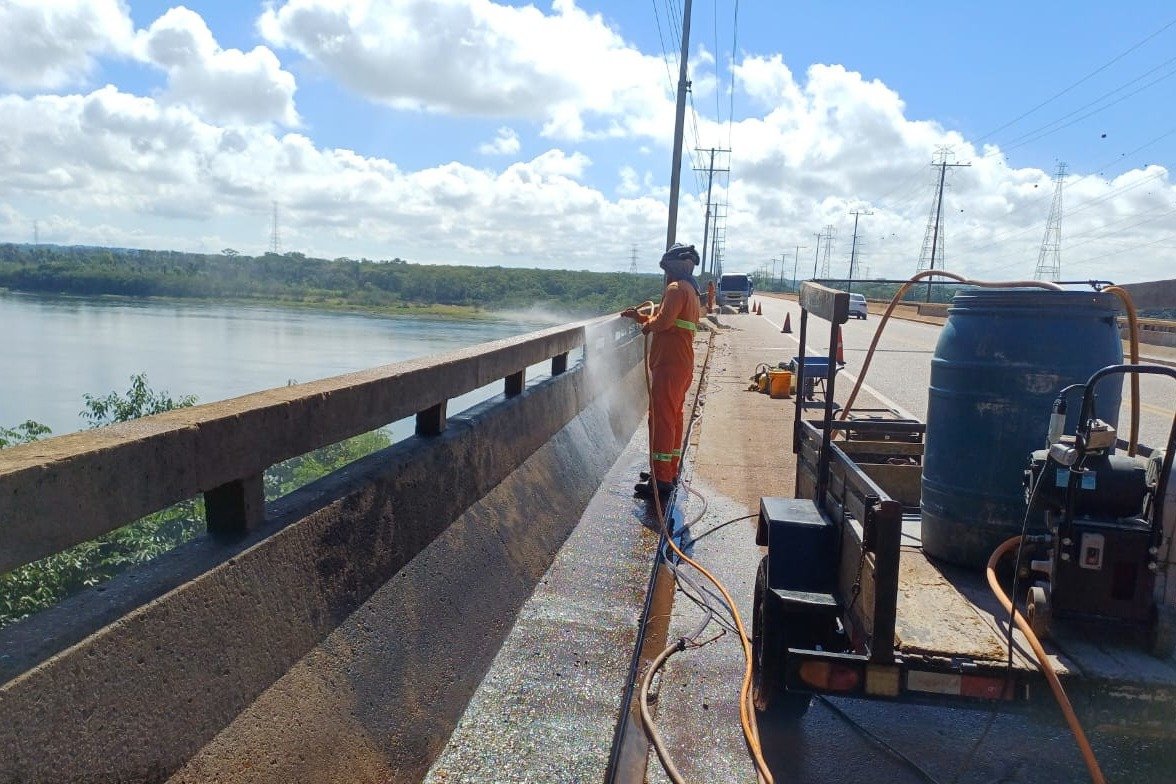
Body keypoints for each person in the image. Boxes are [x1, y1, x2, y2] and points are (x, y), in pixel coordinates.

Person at [621, 242, 702, 504]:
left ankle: (661, 480)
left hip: (669, 365)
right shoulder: (691, 290)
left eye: (666, 269)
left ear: (672, 267)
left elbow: (664, 321)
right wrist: (641, 317)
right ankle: (668, 470)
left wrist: (647, 326)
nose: (665, 274)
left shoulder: (676, 289)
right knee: (673, 417)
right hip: (681, 364)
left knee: (662, 421)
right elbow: (670, 319)